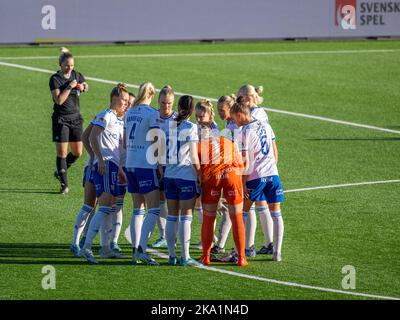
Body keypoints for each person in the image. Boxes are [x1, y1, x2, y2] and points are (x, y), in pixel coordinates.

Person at [79, 84, 129, 264]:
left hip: (114, 166)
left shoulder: (115, 118)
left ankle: (105, 248)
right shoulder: (106, 115)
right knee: (105, 206)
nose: (125, 103)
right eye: (123, 100)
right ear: (115, 98)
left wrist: (120, 169)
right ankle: (86, 247)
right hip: (106, 165)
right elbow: (91, 137)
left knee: (109, 207)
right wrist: (98, 158)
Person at [230, 97, 285, 262]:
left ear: (240, 115)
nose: (234, 122)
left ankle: (238, 250)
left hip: (256, 176)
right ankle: (277, 252)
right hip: (273, 174)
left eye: (234, 118)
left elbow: (245, 159)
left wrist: (243, 183)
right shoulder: (266, 125)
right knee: (276, 214)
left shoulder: (244, 131)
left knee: (242, 213)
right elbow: (275, 151)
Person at [198, 109, 248, 267]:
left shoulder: (199, 145)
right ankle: (241, 258)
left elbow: (196, 166)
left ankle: (206, 256)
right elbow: (241, 165)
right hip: (232, 174)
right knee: (237, 216)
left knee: (209, 217)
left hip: (212, 177)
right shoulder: (227, 141)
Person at [124, 82, 161, 266]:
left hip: (130, 163)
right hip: (145, 165)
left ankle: (134, 250)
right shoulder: (152, 113)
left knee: (138, 209)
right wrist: (160, 164)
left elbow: (124, 142)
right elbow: (155, 141)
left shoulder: (129, 112)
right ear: (152, 95)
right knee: (154, 209)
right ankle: (142, 250)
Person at [163, 95, 202, 266]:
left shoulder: (169, 125)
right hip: (185, 176)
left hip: (169, 176)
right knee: (186, 217)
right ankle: (185, 257)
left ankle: (172, 256)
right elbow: (193, 156)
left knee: (172, 217)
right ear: (192, 110)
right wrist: (200, 174)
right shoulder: (191, 127)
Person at [49, 47, 88, 194]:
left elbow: (86, 85)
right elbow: (59, 100)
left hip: (76, 119)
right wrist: (70, 87)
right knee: (62, 153)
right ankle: (64, 184)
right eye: (67, 65)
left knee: (78, 152)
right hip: (61, 120)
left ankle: (60, 171)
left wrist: (83, 86)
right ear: (60, 64)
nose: (70, 68)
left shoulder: (76, 75)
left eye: (72, 65)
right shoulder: (55, 79)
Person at [151, 85, 178, 249]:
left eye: (169, 103)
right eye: (163, 103)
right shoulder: (153, 117)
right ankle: (163, 235)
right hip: (157, 165)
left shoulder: (177, 119)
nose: (166, 107)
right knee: (160, 201)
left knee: (175, 203)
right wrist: (158, 163)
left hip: (174, 167)